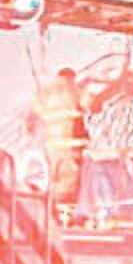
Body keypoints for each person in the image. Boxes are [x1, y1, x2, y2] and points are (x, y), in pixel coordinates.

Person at [32, 67, 89, 205]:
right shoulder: (75, 91)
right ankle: (64, 203)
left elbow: (38, 109)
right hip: (70, 146)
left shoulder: (46, 93)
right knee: (68, 178)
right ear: (71, 78)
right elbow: (90, 105)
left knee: (56, 174)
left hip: (53, 145)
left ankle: (56, 202)